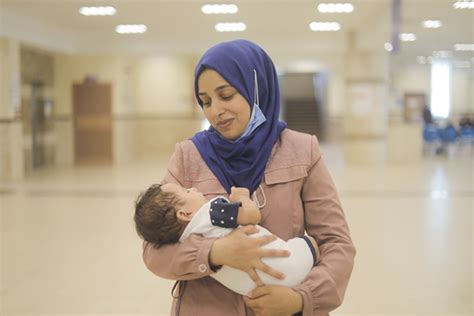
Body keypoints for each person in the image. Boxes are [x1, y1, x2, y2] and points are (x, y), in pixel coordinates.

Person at [142, 39, 356, 316]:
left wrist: (301, 298)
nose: (215, 111)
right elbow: (153, 249)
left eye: (227, 95)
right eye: (205, 101)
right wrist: (214, 252)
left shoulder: (302, 151)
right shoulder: (188, 156)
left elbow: (336, 244)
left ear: (256, 89)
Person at [135, 183, 318, 295]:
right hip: (289, 269)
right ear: (185, 214)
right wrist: (242, 197)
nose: (193, 188)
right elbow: (252, 215)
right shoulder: (212, 212)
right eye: (186, 191)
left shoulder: (183, 241)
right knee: (310, 244)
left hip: (253, 289)